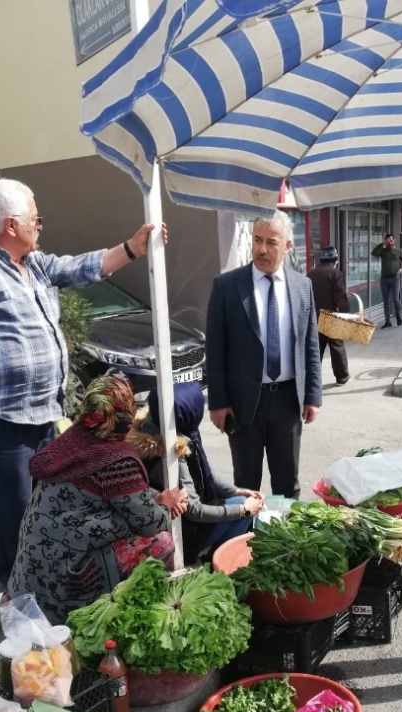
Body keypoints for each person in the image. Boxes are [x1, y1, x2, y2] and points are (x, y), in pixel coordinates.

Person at [0, 177, 164, 597]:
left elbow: (78, 267)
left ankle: (42, 582)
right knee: (14, 512)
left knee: (45, 509)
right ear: (11, 224)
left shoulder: (33, 264)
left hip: (41, 414)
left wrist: (132, 248)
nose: (41, 225)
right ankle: (17, 593)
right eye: (36, 218)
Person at [7, 373, 187, 623]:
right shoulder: (115, 459)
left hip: (27, 579)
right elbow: (150, 522)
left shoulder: (71, 438)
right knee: (161, 542)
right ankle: (111, 613)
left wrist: (155, 499)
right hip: (65, 579)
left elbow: (120, 497)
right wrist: (167, 504)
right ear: (125, 412)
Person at [206, 210, 322, 499]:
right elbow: (215, 348)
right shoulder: (227, 286)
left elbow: (310, 344)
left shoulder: (302, 286)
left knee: (287, 483)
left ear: (287, 246)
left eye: (271, 242)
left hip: (287, 401)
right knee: (246, 483)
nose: (261, 249)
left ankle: (287, 541)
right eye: (257, 240)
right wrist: (218, 402)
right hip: (245, 403)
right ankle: (249, 541)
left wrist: (313, 396)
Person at [130, 381, 264, 565]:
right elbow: (194, 511)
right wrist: (243, 509)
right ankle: (215, 562)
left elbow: (204, 474)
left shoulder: (162, 427)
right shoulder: (172, 452)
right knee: (245, 511)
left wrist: (235, 491)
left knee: (241, 501)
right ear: (189, 413)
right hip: (182, 533)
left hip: (176, 524)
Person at [306, 245, 351, 386]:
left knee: (315, 351)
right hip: (330, 317)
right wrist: (345, 312)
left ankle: (311, 381)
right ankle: (342, 377)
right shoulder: (336, 273)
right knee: (337, 347)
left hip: (313, 317)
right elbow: (340, 297)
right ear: (335, 260)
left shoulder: (310, 274)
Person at [371, 233, 402, 328]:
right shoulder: (383, 251)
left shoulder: (399, 251)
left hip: (395, 279)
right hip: (384, 279)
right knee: (386, 301)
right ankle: (388, 321)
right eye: (387, 240)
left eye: (391, 240)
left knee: (395, 299)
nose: (389, 242)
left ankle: (398, 314)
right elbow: (373, 253)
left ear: (394, 240)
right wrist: (381, 244)